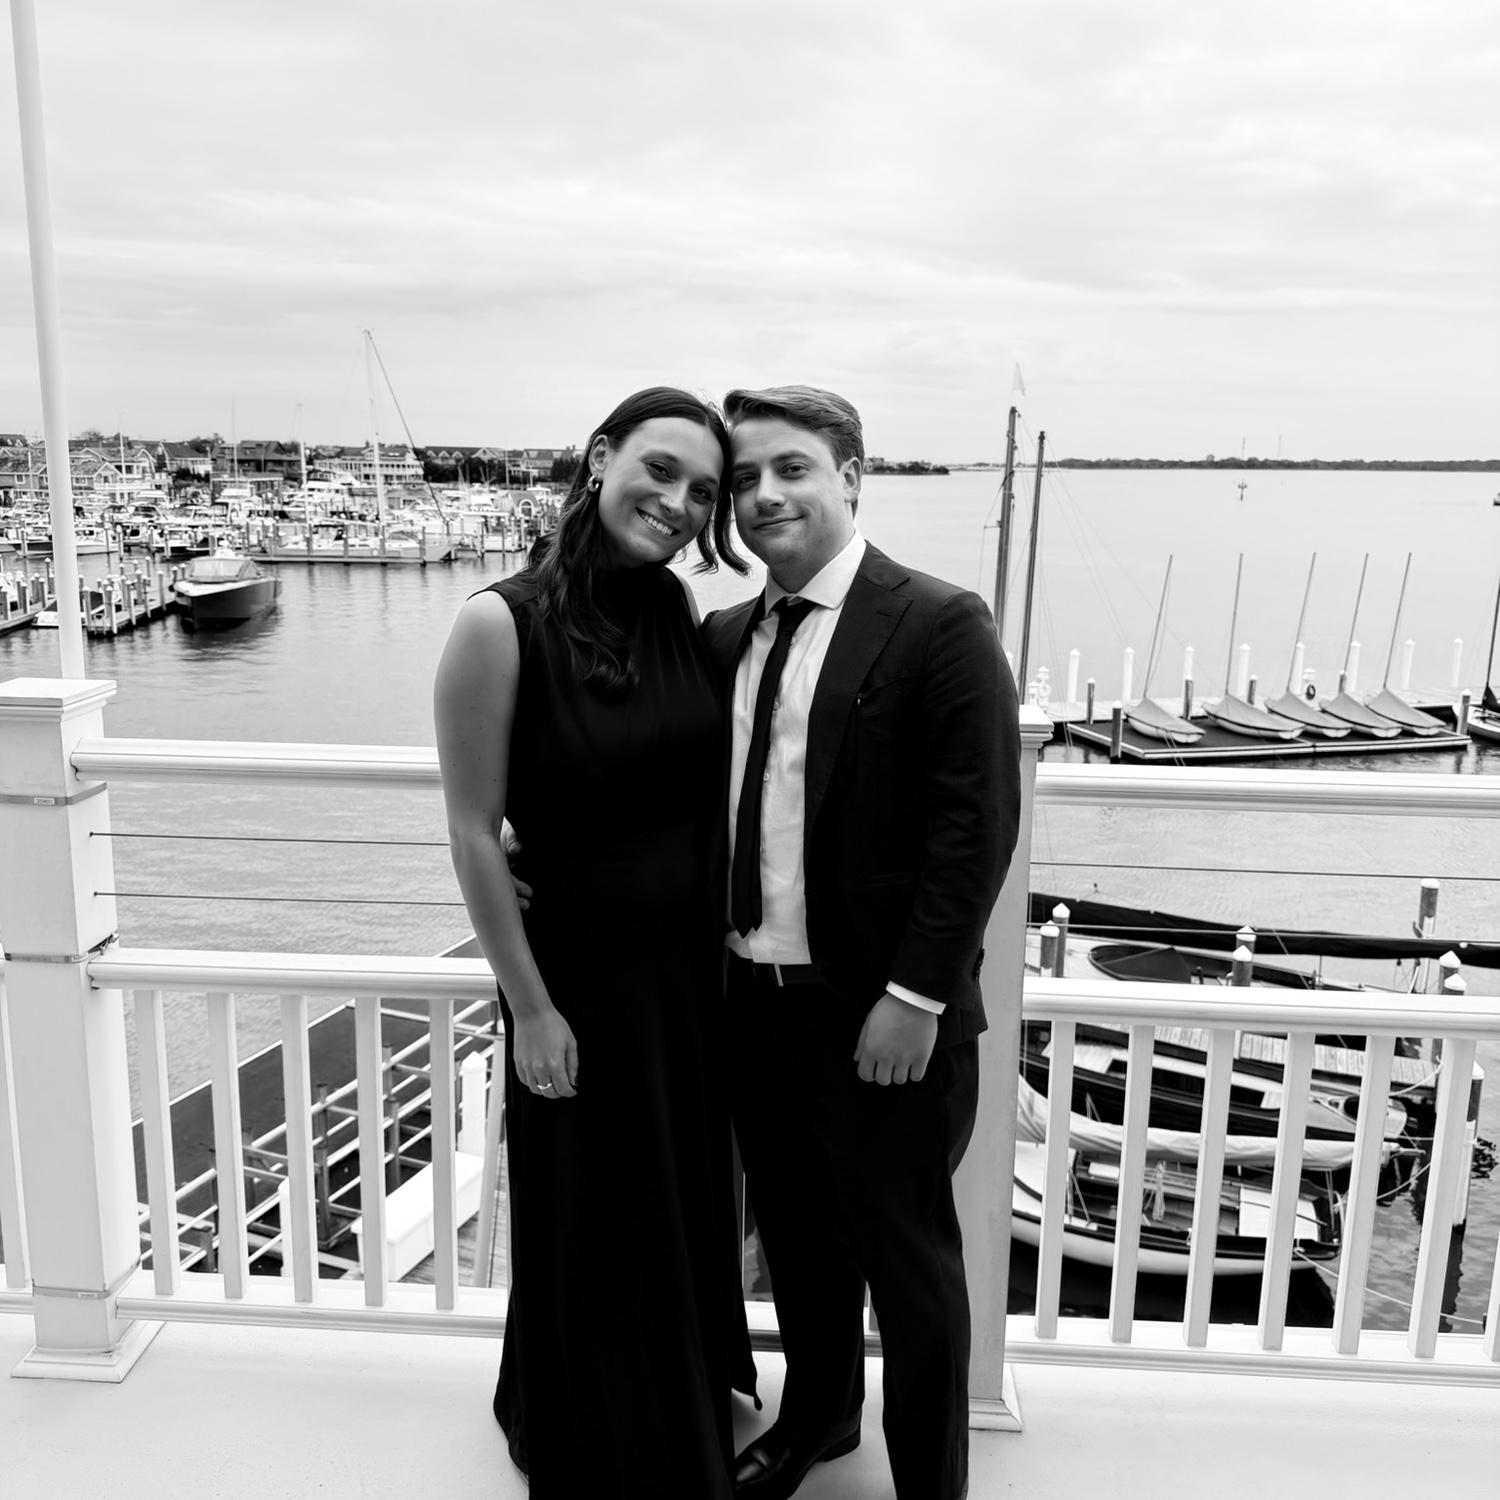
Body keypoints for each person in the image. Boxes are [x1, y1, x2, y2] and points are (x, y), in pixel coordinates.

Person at [433, 387, 756, 1498]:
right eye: (659, 470)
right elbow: (472, 832)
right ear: (601, 456)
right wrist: (529, 1007)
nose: (677, 503)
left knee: (677, 1195)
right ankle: (593, 1436)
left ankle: (677, 1399)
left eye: (702, 492)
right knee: (593, 1207)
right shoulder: (498, 622)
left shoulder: (672, 605)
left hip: (687, 972)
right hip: (576, 974)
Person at [702, 385, 1021, 1500]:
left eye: (790, 468)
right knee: (796, 1239)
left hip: (884, 1014)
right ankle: (819, 1422)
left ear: (848, 475)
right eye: (745, 479)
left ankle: (931, 1483)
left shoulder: (937, 621)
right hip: (754, 1002)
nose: (764, 495)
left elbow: (975, 827)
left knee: (910, 1263)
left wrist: (917, 996)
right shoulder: (725, 635)